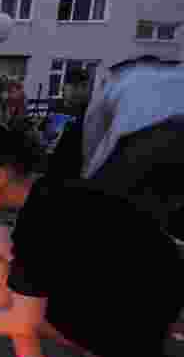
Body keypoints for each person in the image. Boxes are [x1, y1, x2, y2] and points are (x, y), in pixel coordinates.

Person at [0, 127, 183, 357]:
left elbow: (22, 320)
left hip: (134, 329)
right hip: (155, 305)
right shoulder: (56, 188)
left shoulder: (39, 221)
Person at [78, 57, 184, 238]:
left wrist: (86, 178)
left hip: (143, 141)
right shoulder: (174, 74)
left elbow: (92, 133)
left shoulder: (118, 79)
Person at [39, 67, 90, 186]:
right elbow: (44, 134)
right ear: (64, 87)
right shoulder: (56, 108)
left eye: (83, 87)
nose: (79, 91)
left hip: (73, 173)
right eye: (74, 86)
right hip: (50, 168)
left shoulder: (90, 112)